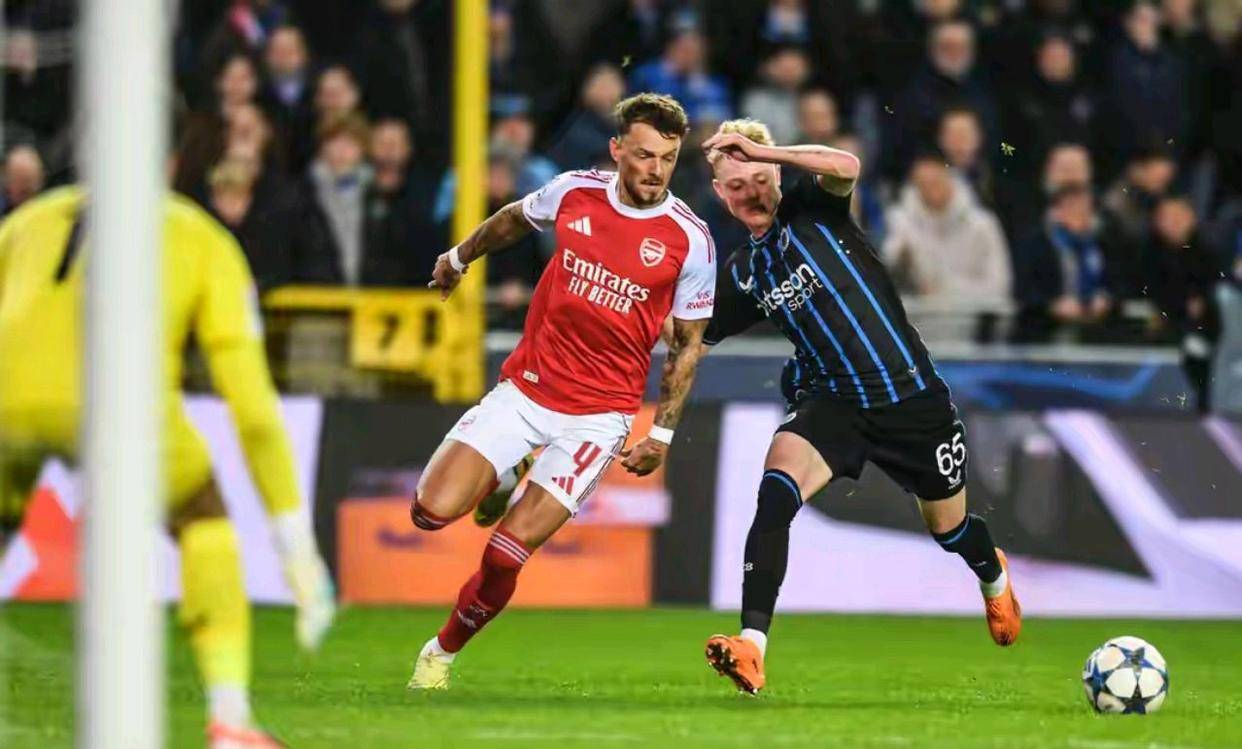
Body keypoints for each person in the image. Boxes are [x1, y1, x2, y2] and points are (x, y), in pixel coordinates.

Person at [0, 188, 336, 747]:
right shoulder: (199, 236)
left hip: (6, 400)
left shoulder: (26, 220)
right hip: (121, 406)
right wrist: (296, 544)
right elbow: (254, 411)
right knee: (202, 514)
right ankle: (230, 720)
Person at [696, 119, 1020, 696]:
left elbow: (847, 165)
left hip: (912, 401)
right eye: (736, 184)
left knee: (949, 531)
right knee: (775, 495)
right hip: (836, 403)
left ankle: (992, 576)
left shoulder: (813, 209)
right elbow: (692, 333)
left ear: (777, 174)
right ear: (721, 194)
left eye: (759, 177)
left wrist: (764, 151)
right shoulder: (744, 273)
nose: (751, 192)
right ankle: (752, 646)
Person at [407, 94, 716, 689]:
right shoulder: (574, 191)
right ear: (617, 150)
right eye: (645, 155)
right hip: (526, 391)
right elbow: (513, 218)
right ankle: (505, 474)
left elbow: (687, 345)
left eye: (668, 159)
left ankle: (439, 655)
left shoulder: (691, 240)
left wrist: (662, 433)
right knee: (428, 513)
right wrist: (459, 256)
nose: (656, 170)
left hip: (598, 418)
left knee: (505, 553)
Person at [883, 153, 1011, 306]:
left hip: (972, 315)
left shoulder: (983, 225)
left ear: (949, 179)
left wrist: (944, 288)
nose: (930, 190)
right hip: (920, 316)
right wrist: (900, 261)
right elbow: (889, 271)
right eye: (923, 184)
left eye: (935, 182)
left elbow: (999, 286)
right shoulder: (901, 223)